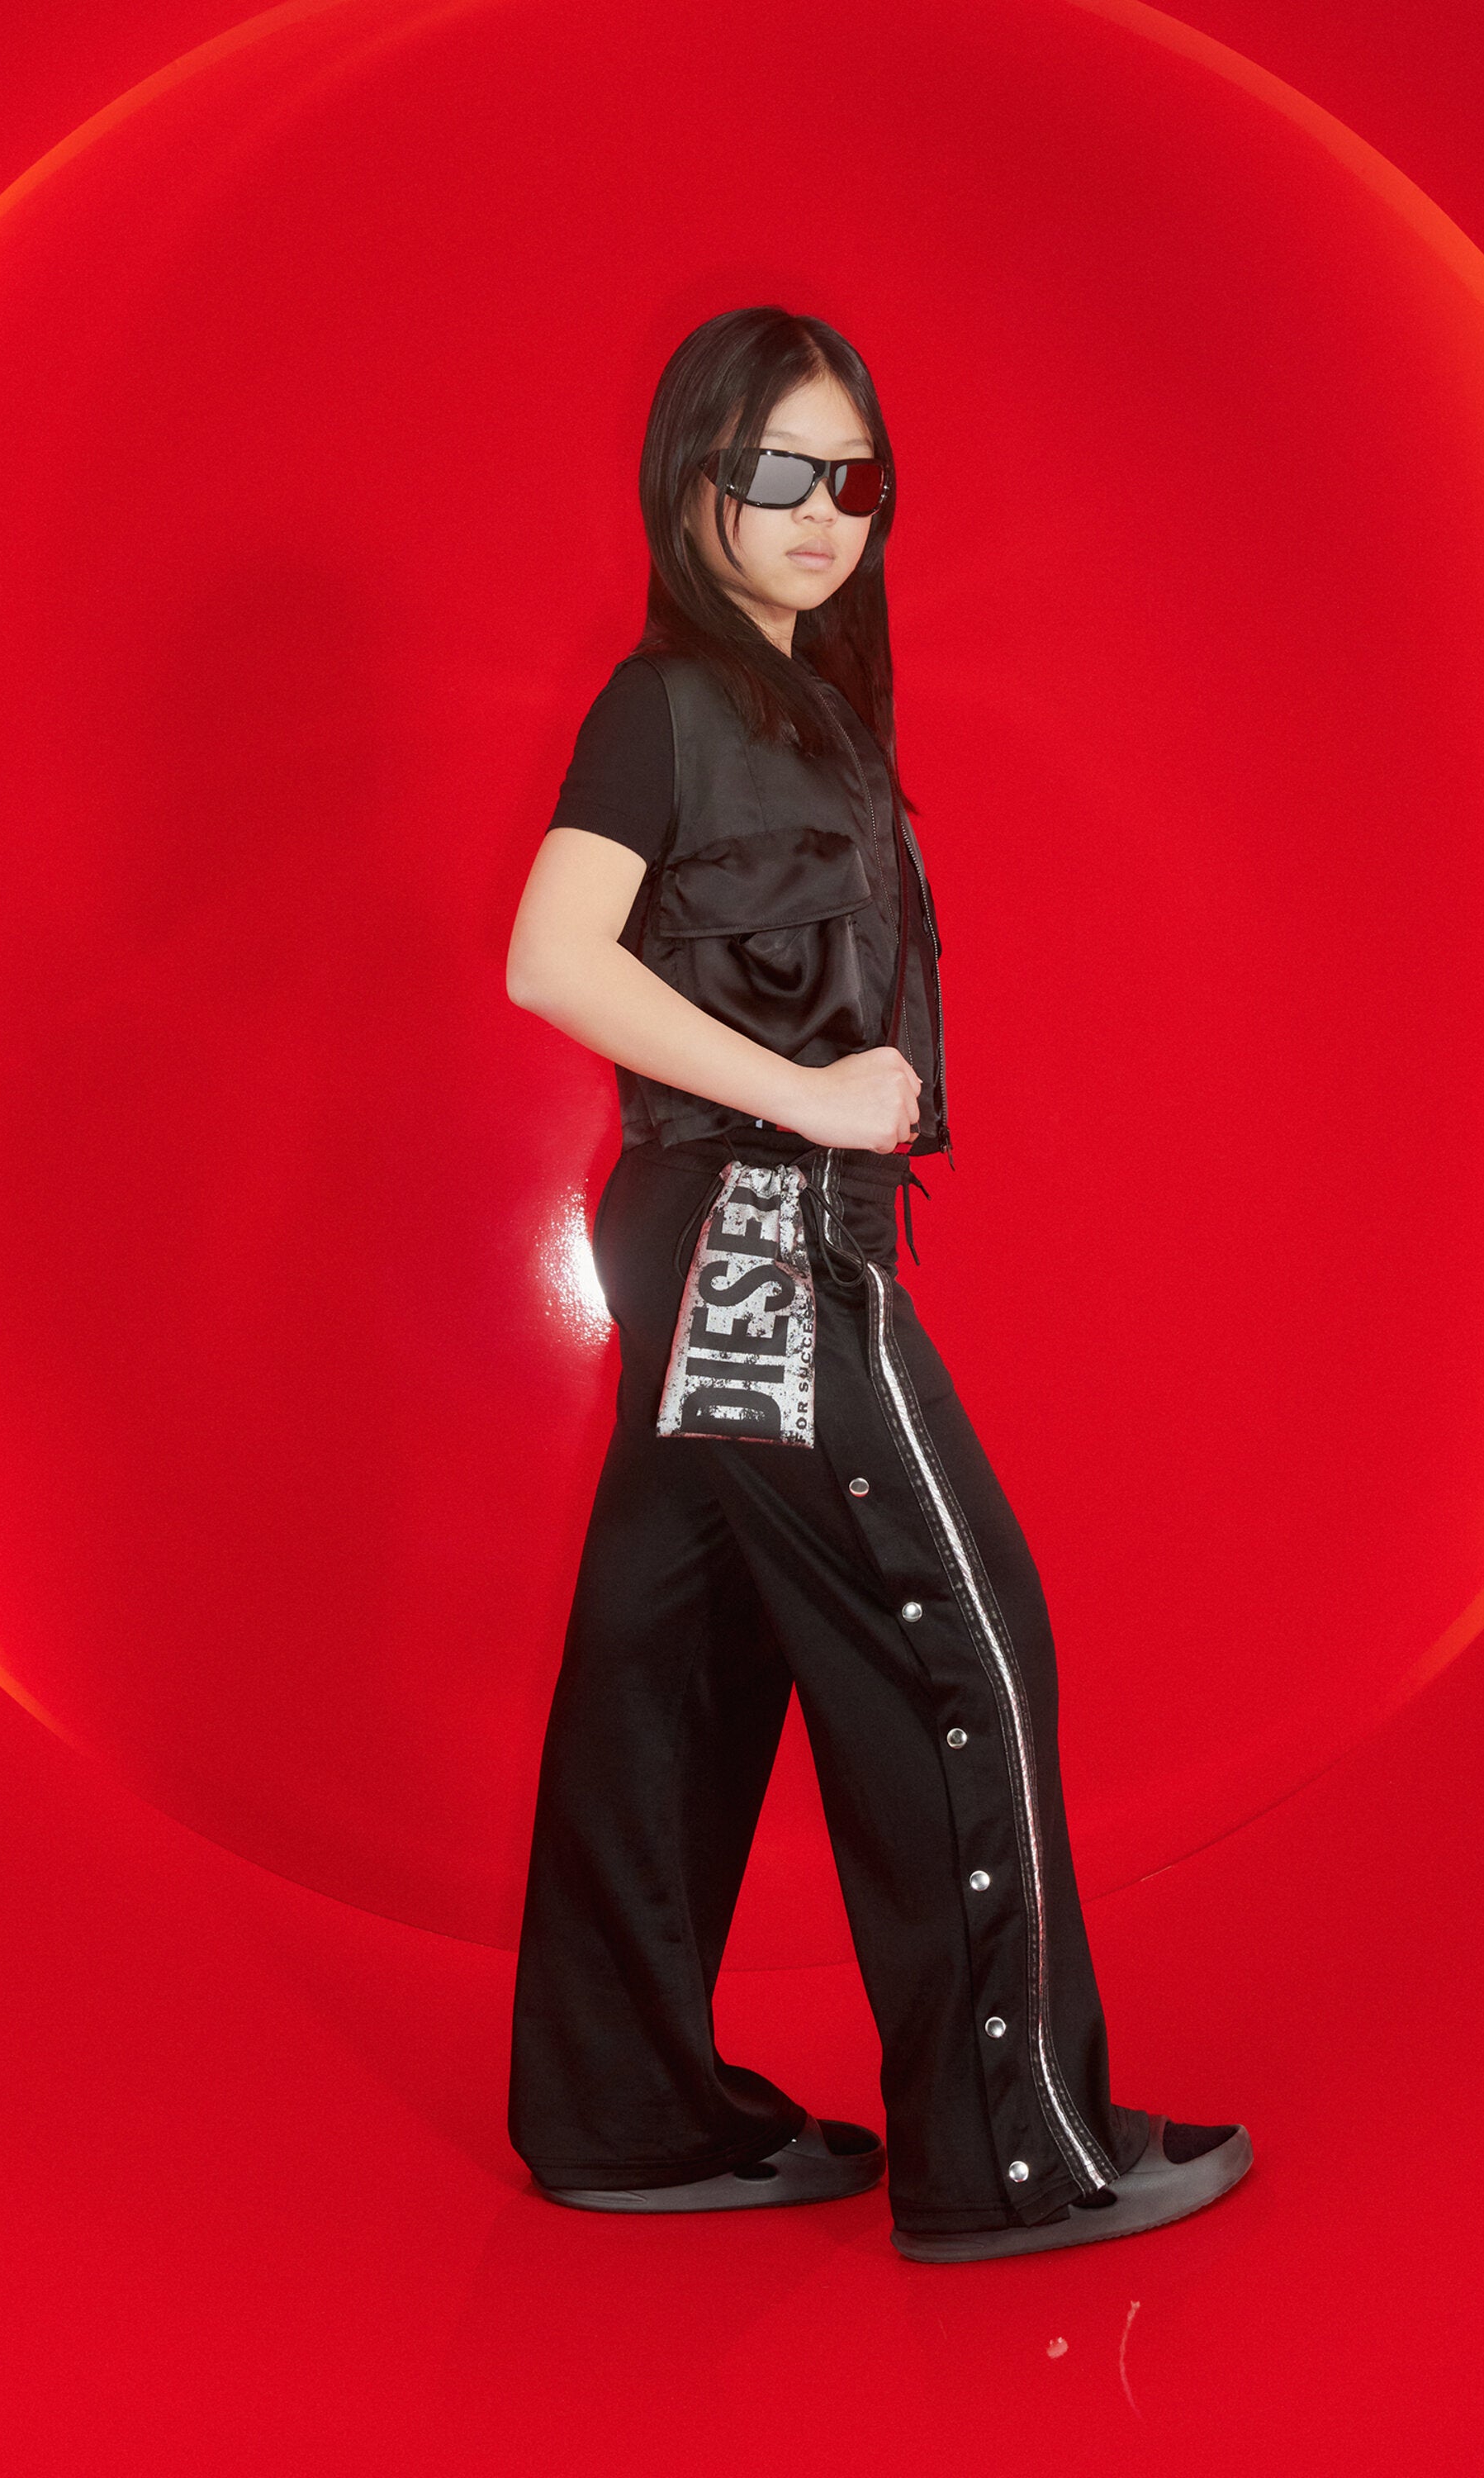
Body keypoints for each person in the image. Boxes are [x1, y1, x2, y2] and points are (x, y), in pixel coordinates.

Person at [503, 304, 1252, 2262]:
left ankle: (625, 2118)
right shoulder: (667, 701)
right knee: (961, 1635)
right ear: (692, 481)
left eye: (856, 477)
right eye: (780, 471)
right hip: (754, 1226)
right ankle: (1013, 2154)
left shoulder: (797, 707)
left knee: (669, 1669)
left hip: (714, 1233)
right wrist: (815, 1098)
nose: (825, 511)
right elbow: (551, 956)